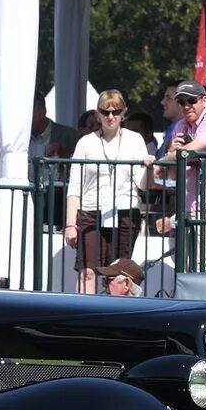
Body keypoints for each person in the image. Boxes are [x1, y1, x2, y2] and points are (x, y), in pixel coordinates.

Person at [66, 89, 155, 294]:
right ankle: (83, 319)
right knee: (87, 272)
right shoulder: (85, 143)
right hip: (91, 212)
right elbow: (75, 186)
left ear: (124, 113)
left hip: (125, 211)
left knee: (118, 275)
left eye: (116, 111)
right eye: (105, 112)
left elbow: (144, 185)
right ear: (98, 114)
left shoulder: (135, 140)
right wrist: (71, 224)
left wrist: (149, 168)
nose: (110, 117)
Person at [157, 81, 206, 269]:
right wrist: (171, 154)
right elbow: (169, 173)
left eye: (191, 100)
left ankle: (199, 298)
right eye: (181, 102)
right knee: (183, 263)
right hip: (188, 202)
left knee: (202, 263)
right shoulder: (180, 127)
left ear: (204, 100)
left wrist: (169, 157)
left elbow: (188, 152)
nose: (186, 106)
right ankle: (188, 298)